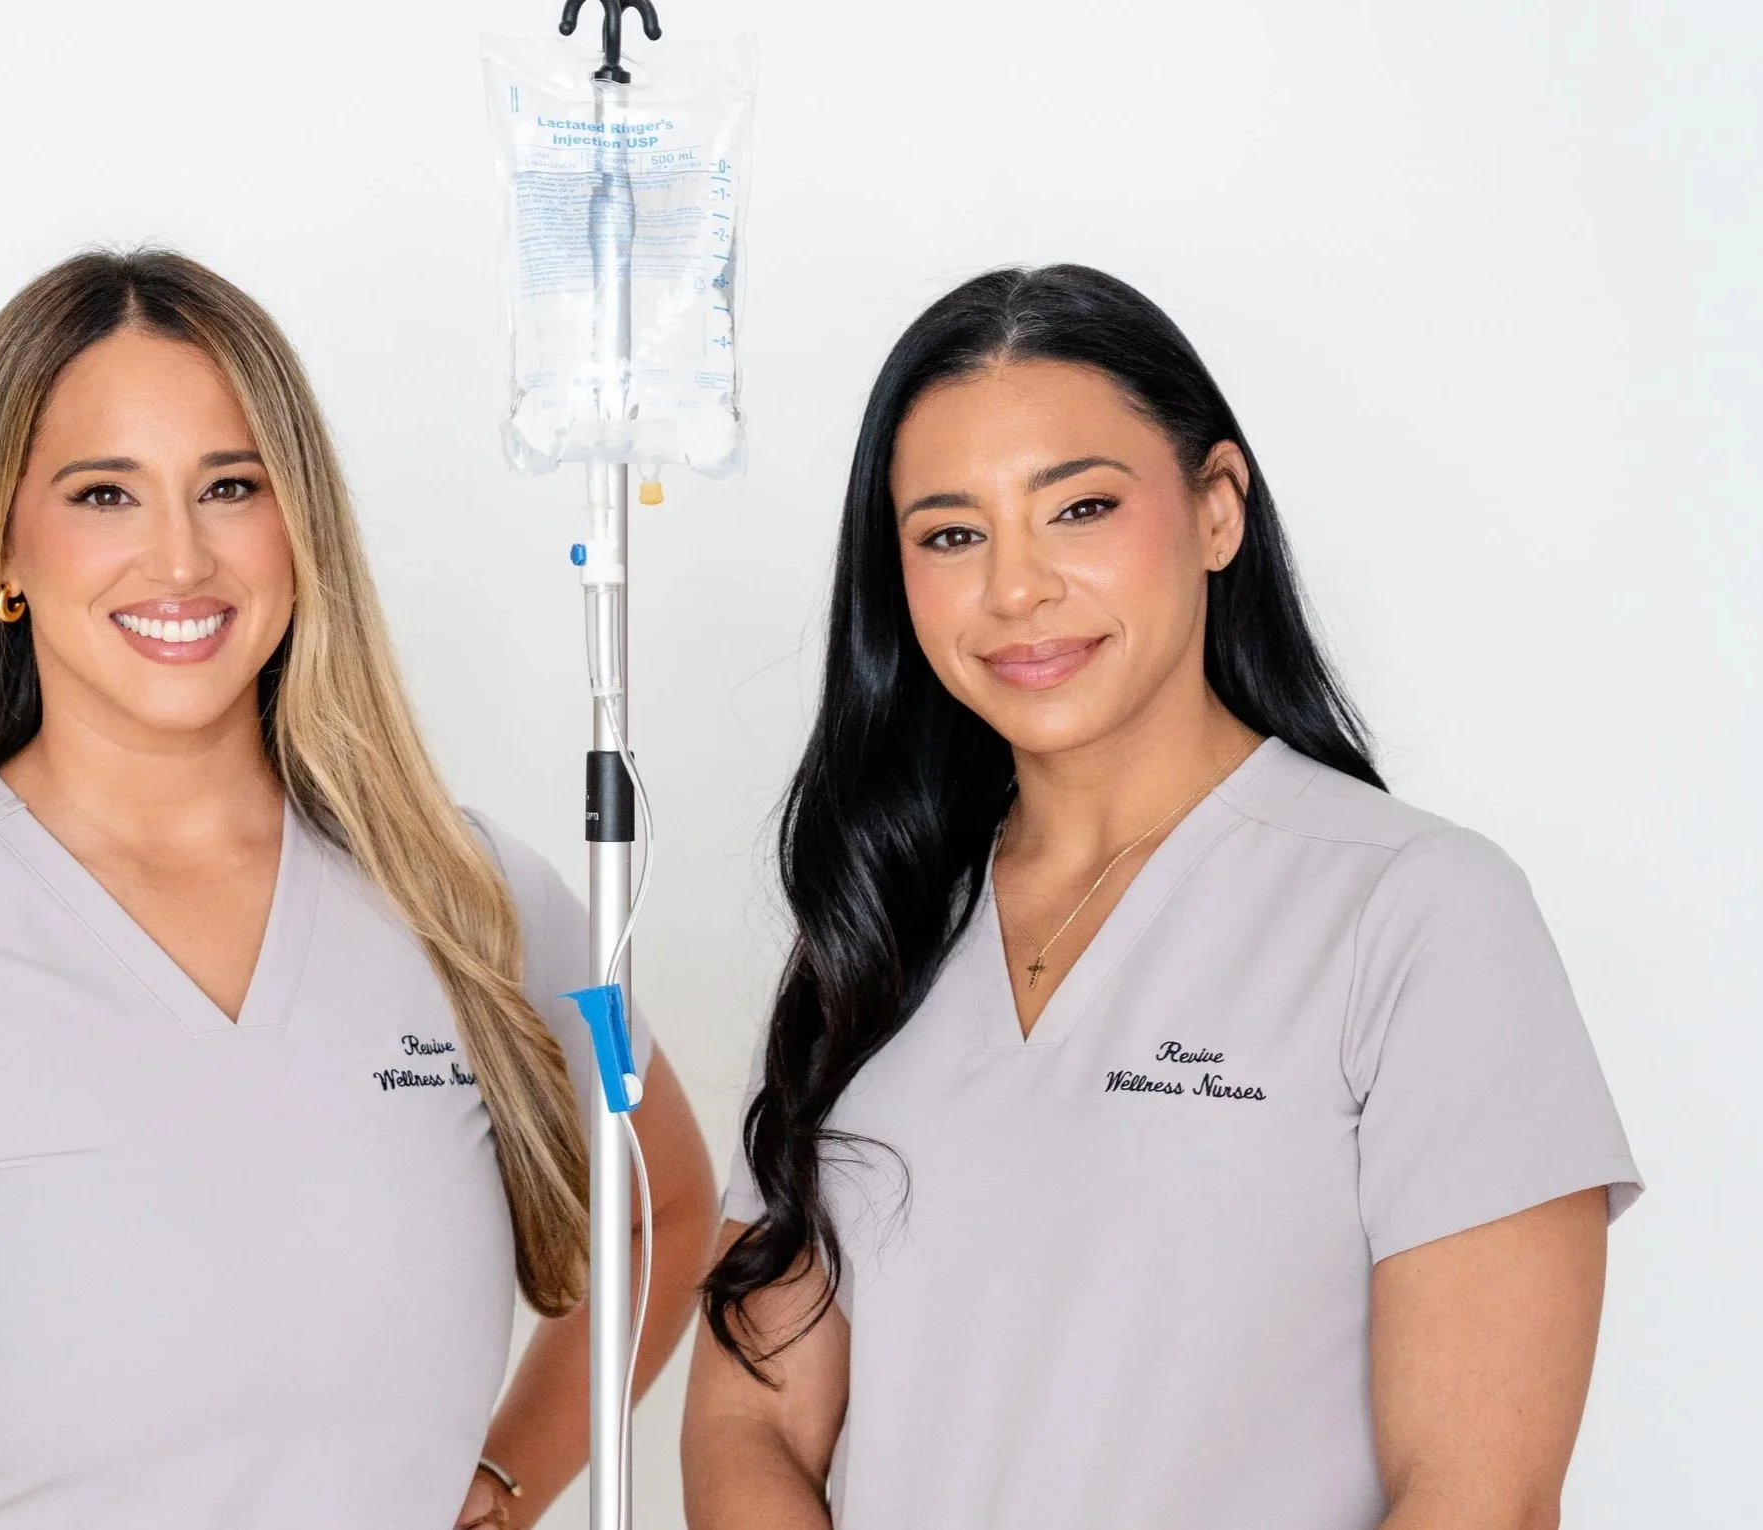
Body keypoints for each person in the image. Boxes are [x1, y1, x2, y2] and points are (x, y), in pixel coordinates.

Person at [0, 249, 715, 1530]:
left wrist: (505, 1480)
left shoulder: (475, 904)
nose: (180, 557)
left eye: (231, 486)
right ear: (2, 546)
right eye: (104, 493)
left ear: (299, 527)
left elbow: (670, 1207)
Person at [680, 265, 1641, 1530]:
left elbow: (1480, 1497)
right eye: (950, 533)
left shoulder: (1415, 916)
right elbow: (747, 1418)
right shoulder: (882, 931)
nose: (1013, 588)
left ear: (1216, 509)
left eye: (1076, 508)